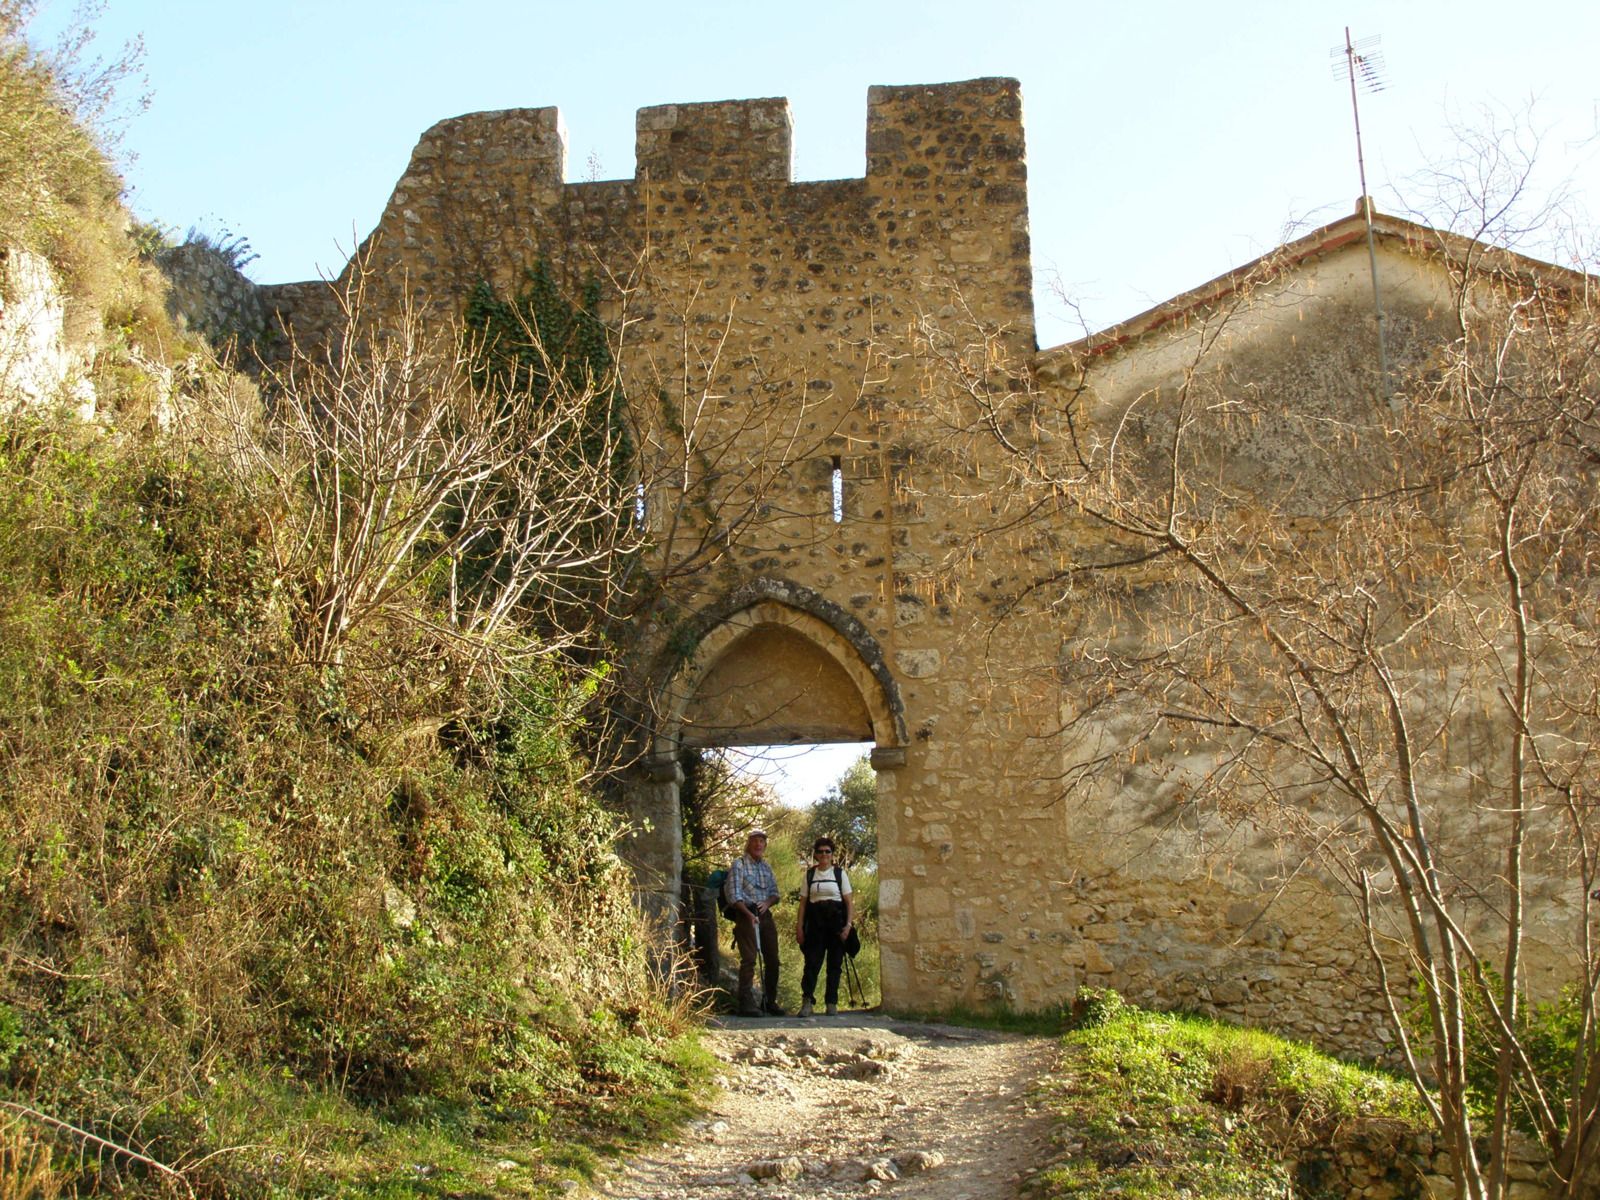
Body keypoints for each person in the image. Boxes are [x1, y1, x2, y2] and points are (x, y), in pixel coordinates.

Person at [726, 828, 783, 1016]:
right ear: (748, 844)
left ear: (765, 845)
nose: (758, 844)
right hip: (745, 913)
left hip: (764, 914)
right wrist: (748, 914)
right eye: (755, 841)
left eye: (762, 841)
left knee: (773, 959)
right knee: (749, 959)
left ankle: (769, 1001)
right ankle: (746, 1003)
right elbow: (733, 895)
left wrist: (767, 903)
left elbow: (775, 893)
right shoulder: (739, 864)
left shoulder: (766, 868)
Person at [795, 836, 853, 1017]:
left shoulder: (839, 874)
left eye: (827, 851)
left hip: (836, 923)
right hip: (815, 924)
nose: (824, 855)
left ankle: (831, 1003)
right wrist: (799, 927)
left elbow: (849, 903)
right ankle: (807, 1002)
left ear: (832, 854)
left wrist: (848, 926)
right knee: (812, 963)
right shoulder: (810, 875)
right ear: (816, 854)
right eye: (820, 851)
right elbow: (803, 903)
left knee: (835, 964)